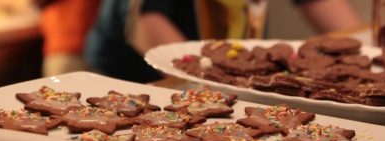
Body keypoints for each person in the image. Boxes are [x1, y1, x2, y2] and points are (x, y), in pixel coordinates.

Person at [84, 0, 361, 84]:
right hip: (136, 80)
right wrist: (210, 77)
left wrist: (359, 56)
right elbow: (145, 24)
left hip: (231, 78)